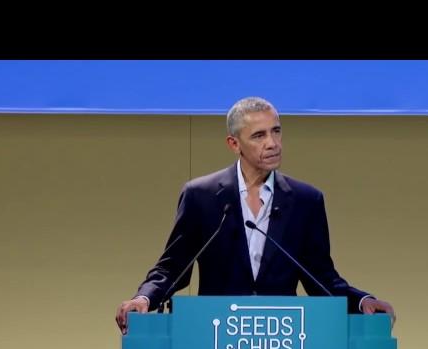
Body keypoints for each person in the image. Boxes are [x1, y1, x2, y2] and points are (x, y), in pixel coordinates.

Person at [116, 97, 395, 334]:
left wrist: (361, 302)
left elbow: (320, 277)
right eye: (259, 136)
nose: (272, 143)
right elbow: (172, 267)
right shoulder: (201, 196)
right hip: (215, 337)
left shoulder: (306, 201)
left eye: (276, 131)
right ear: (234, 144)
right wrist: (144, 298)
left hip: (281, 340)